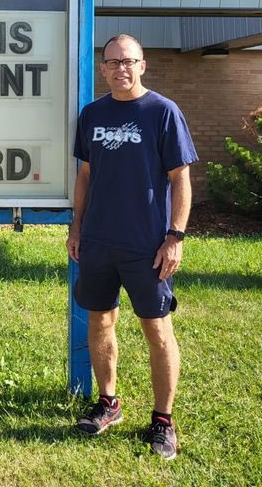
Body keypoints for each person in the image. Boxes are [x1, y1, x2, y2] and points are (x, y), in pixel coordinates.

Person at [66, 34, 198, 460]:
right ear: (103, 69)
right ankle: (108, 403)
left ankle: (163, 420)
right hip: (98, 241)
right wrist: (76, 227)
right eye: (112, 62)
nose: (120, 69)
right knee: (100, 321)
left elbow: (181, 179)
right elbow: (86, 174)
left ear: (142, 65)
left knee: (157, 329)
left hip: (148, 245)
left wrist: (175, 236)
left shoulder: (163, 112)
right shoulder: (92, 114)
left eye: (128, 61)